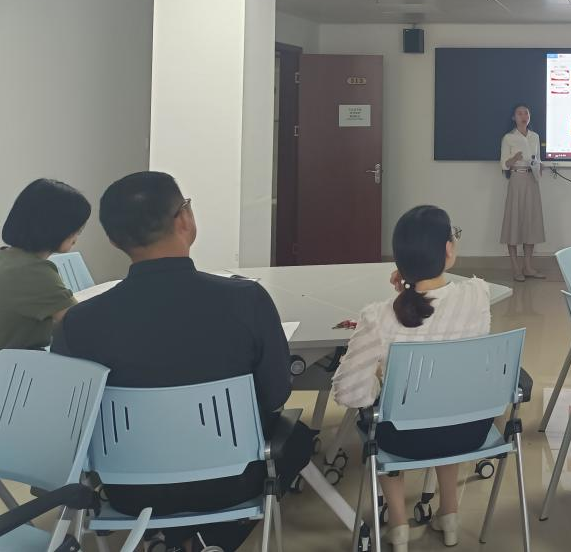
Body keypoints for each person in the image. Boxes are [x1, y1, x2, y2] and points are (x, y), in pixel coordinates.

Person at [53, 172, 314, 552]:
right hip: (232, 481)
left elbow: (72, 421)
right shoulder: (247, 300)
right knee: (299, 438)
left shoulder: (78, 323)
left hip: (128, 491)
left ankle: (173, 538)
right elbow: (275, 395)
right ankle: (208, 540)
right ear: (185, 219)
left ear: (113, 240)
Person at [333, 205, 491, 552]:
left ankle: (398, 525)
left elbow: (349, 393)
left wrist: (380, 382)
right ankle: (449, 514)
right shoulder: (478, 295)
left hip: (403, 439)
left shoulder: (379, 316)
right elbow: (440, 302)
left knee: (386, 411)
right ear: (448, 250)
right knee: (447, 401)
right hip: (469, 430)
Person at [0, 178, 90, 350]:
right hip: (14, 365)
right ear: (56, 228)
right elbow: (81, 325)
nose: (76, 236)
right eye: (77, 229)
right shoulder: (34, 272)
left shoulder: (5, 257)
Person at [500, 103, 546, 282]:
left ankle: (528, 267)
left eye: (526, 113)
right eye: (519, 113)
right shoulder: (509, 138)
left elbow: (537, 159)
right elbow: (504, 164)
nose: (523, 116)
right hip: (517, 180)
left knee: (530, 222)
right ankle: (515, 268)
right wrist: (514, 158)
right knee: (514, 222)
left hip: (532, 180)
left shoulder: (535, 136)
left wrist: (540, 166)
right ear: (514, 117)